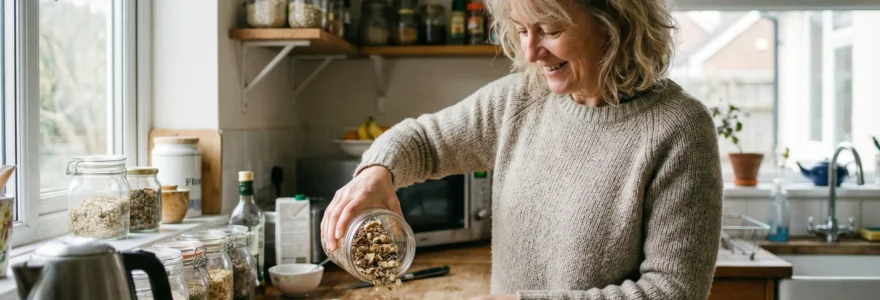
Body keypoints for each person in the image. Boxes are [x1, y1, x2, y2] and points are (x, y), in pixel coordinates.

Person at [321, 0, 723, 299]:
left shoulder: (679, 129)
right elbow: (425, 140)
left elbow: (673, 291)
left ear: (613, 21)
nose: (531, 52)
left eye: (548, 30)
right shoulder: (519, 100)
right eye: (521, 30)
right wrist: (377, 172)